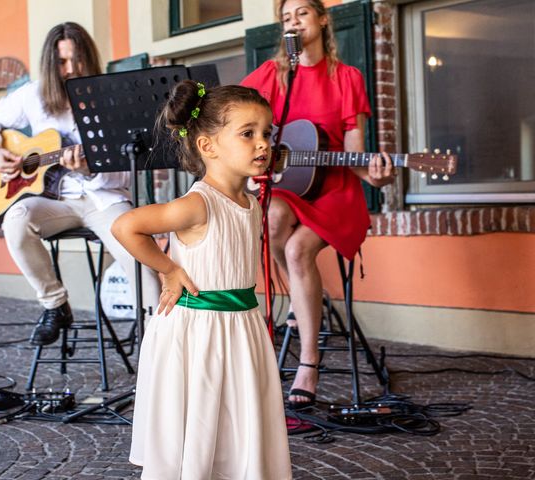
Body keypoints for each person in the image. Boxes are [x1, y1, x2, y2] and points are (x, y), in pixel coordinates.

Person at [112, 80, 292, 479]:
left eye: (267, 133)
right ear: (208, 146)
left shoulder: (249, 202)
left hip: (241, 327)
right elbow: (126, 226)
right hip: (199, 333)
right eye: (247, 134)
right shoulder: (198, 204)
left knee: (236, 423)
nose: (263, 144)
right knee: (202, 421)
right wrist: (169, 269)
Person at [241, 0, 397, 410]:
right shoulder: (274, 75)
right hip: (290, 188)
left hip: (336, 193)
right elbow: (230, 111)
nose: (293, 22)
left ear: (323, 20)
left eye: (302, 14)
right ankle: (301, 296)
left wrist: (377, 174)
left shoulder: (347, 77)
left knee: (296, 249)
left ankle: (309, 362)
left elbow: (355, 153)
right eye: (286, 18)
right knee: (271, 217)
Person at [0, 22, 160, 346]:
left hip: (104, 199)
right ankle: (55, 305)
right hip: (55, 200)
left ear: (88, 58)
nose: (71, 69)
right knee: (15, 221)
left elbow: (125, 175)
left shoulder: (110, 100)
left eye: (77, 59)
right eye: (62, 62)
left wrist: (91, 169)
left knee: (146, 272)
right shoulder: (33, 95)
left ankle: (160, 341)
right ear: (50, 63)